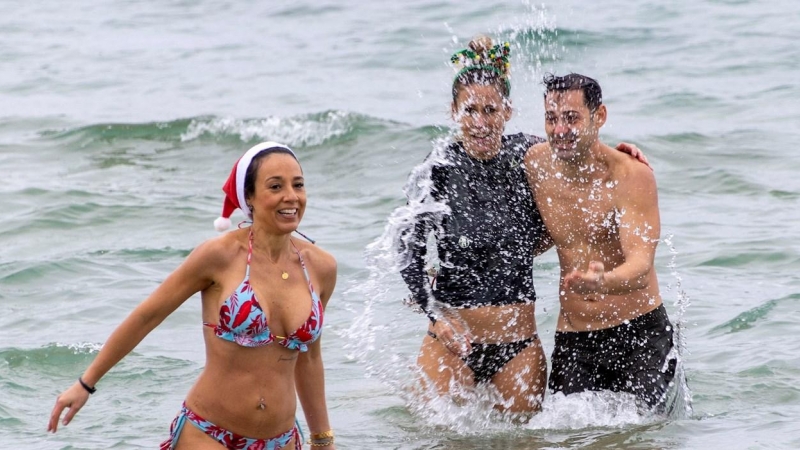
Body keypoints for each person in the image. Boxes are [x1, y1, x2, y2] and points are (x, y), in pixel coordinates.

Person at [399, 36, 648, 416]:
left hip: (518, 346)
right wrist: (433, 313)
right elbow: (407, 251)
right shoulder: (436, 168)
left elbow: (577, 151)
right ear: (453, 112)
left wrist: (618, 155)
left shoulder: (529, 156)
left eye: (490, 109)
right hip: (450, 341)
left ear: (508, 111)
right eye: (470, 111)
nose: (480, 123)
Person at [48, 142, 338, 449]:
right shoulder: (219, 256)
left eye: (298, 185)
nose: (291, 196)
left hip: (282, 441)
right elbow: (148, 316)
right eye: (275, 186)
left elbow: (310, 359)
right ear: (249, 197)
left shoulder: (320, 267)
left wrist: (322, 437)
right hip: (209, 433)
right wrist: (86, 383)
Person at [524, 73, 677, 411]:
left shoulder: (630, 175)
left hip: (640, 336)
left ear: (600, 117)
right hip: (575, 340)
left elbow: (640, 265)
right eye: (551, 118)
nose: (560, 130)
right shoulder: (534, 164)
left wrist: (604, 281)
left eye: (571, 118)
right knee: (567, 438)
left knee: (645, 438)